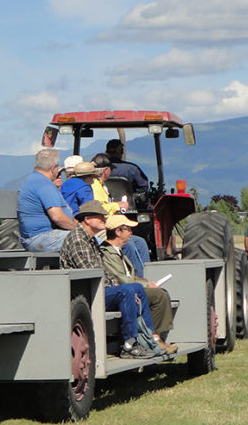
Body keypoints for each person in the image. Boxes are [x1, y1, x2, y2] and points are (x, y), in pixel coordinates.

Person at [59, 200, 158, 359]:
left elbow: (102, 270)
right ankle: (129, 344)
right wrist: (114, 283)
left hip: (96, 290)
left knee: (137, 288)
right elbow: (91, 274)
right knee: (127, 291)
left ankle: (151, 338)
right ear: (87, 219)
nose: (104, 220)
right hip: (84, 294)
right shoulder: (78, 240)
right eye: (99, 217)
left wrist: (113, 282)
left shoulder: (90, 240)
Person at [100, 212, 177, 355]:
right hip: (120, 291)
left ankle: (154, 338)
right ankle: (153, 339)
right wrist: (146, 285)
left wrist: (146, 282)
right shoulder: (107, 253)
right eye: (128, 229)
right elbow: (121, 278)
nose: (131, 232)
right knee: (159, 296)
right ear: (118, 231)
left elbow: (130, 276)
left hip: (128, 288)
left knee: (161, 293)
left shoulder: (118, 252)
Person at [90, 152, 150, 275]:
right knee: (129, 244)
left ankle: (146, 275)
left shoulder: (102, 186)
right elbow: (99, 208)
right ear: (106, 170)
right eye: (110, 170)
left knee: (140, 243)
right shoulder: (94, 186)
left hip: (110, 222)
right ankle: (137, 278)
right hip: (105, 226)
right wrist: (118, 205)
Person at [16, 149, 76, 252]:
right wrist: (78, 230)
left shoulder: (33, 180)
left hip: (37, 237)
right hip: (42, 238)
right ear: (53, 168)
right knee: (87, 240)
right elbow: (57, 217)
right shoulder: (44, 184)